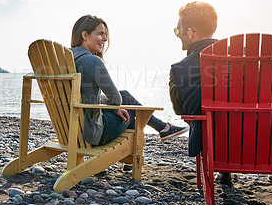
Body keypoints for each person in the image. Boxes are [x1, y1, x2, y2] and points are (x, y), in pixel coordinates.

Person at [70, 14, 188, 146]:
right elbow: (116, 99)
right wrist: (115, 107)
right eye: (100, 34)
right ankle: (136, 153)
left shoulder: (67, 59)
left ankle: (162, 128)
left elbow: (85, 98)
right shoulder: (92, 61)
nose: (105, 39)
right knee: (129, 110)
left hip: (72, 130)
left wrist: (115, 109)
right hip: (92, 133)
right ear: (85, 35)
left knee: (125, 98)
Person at [169, 1, 231, 182]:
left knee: (203, 120)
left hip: (210, 142)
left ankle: (222, 167)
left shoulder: (180, 69)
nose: (177, 34)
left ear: (190, 32)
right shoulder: (247, 58)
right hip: (257, 142)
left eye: (178, 30)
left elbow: (180, 111)